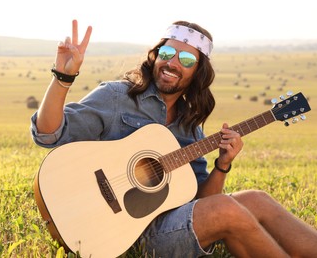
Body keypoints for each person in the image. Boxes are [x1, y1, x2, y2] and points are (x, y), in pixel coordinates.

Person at [30, 19, 317, 257]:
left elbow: (201, 202)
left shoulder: (191, 127)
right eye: (167, 54)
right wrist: (62, 79)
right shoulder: (118, 96)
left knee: (256, 199)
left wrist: (222, 165)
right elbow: (48, 134)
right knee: (229, 210)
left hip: (166, 225)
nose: (173, 63)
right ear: (155, 56)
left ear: (198, 72)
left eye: (187, 59)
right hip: (123, 235)